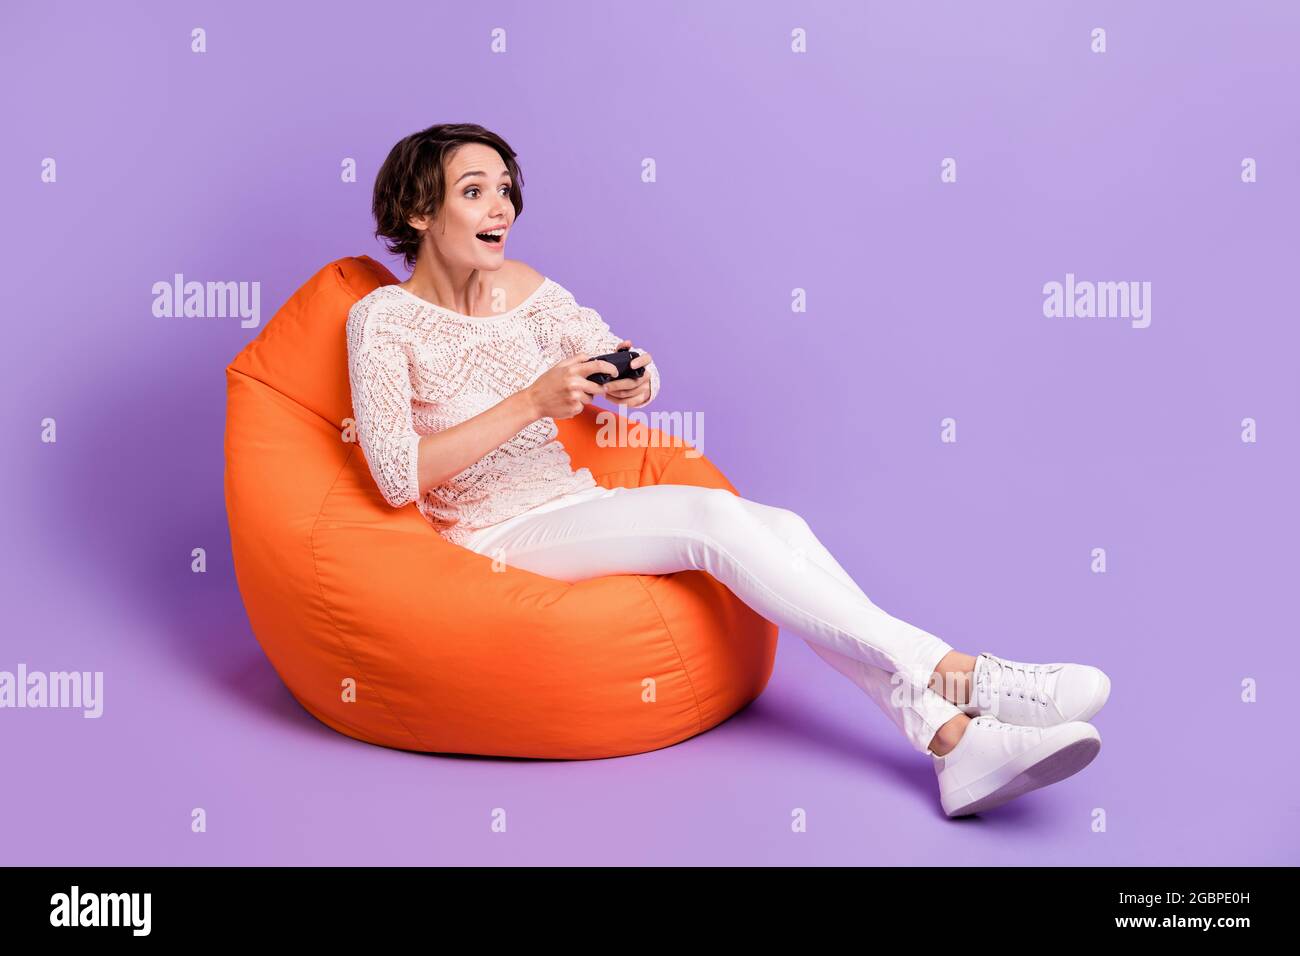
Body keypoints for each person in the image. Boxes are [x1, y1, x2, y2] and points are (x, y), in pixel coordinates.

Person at [345, 123, 1111, 818]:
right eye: (474, 192)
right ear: (418, 212)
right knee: (710, 520)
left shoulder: (527, 291)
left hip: (571, 504)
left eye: (505, 189)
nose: (500, 207)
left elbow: (616, 354)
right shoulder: (382, 320)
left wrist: (636, 378)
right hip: (492, 534)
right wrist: (529, 402)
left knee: (784, 527)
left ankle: (954, 742)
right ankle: (957, 672)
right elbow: (393, 476)